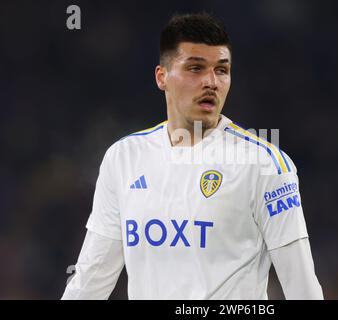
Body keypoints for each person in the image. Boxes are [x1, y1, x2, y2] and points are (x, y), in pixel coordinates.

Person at [62, 12, 323, 300]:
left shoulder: (264, 165)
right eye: (196, 68)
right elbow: (90, 280)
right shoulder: (123, 158)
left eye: (222, 70)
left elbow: (302, 288)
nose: (211, 81)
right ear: (162, 77)